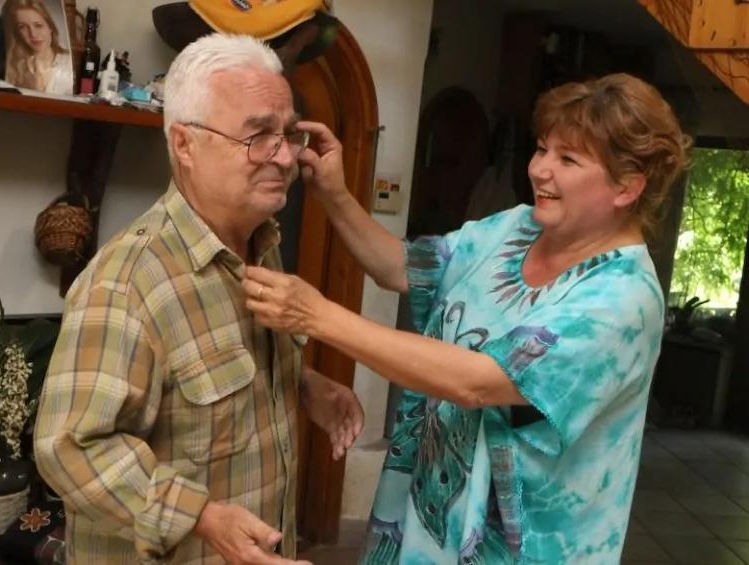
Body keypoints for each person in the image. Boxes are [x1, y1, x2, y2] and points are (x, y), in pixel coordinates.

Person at [243, 73, 690, 563]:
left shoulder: (623, 298)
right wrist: (335, 194)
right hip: (426, 522)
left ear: (627, 187)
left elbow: (478, 382)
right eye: (542, 149)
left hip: (522, 549)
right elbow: (402, 268)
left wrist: (317, 316)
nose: (540, 170)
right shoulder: (516, 227)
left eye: (568, 160)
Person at [33, 33, 363, 564]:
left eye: (289, 133)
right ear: (185, 144)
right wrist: (203, 517)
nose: (285, 157)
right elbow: (70, 448)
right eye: (258, 135)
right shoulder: (128, 281)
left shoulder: (262, 247)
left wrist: (305, 385)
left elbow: (216, 375)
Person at [1, 0, 73, 94]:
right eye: (23, 27)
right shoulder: (13, 67)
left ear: (50, 27)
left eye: (38, 25)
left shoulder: (69, 63)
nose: (33, 34)